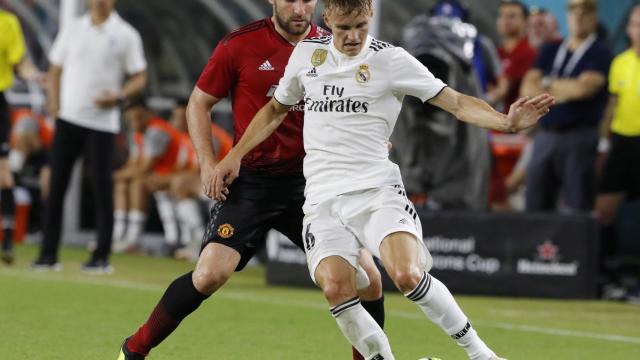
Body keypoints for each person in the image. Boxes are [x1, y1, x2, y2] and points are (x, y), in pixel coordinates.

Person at [210, 0, 553, 359]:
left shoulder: (391, 61)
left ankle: (482, 354)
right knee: (336, 288)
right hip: (322, 200)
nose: (353, 36)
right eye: (343, 28)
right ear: (327, 20)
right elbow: (275, 109)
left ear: (370, 16)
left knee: (406, 274)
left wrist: (505, 122)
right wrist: (235, 155)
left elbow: (456, 102)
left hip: (377, 191)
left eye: (360, 25)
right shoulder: (306, 56)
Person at [117, 1, 385, 359]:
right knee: (209, 275)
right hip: (251, 183)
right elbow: (198, 103)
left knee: (368, 280)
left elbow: (359, 104)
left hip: (312, 185)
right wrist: (208, 164)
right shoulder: (239, 45)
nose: (299, 7)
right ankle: (134, 349)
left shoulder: (332, 45)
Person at [32, 0, 147, 272]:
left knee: (102, 189)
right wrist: (54, 104)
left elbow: (139, 76)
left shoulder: (126, 34)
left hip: (102, 124)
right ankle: (48, 255)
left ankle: (101, 257)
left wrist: (119, 96)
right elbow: (56, 68)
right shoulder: (72, 28)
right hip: (68, 119)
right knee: (56, 185)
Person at [521, 0, 611, 212]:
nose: (578, 15)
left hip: (579, 137)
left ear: (594, 15)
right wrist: (566, 89)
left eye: (585, 10)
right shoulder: (551, 48)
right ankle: (533, 246)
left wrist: (546, 83)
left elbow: (583, 90)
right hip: (545, 135)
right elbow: (526, 87)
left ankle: (579, 246)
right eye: (573, 9)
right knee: (535, 202)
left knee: (578, 205)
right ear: (567, 14)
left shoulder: (601, 52)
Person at [595, 4, 640, 270]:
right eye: (635, 24)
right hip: (623, 143)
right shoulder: (620, 62)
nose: (639, 29)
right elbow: (611, 108)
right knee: (604, 211)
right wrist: (604, 145)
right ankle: (609, 276)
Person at [0, 9, 45, 264]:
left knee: (4, 175)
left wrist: (36, 75)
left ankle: (7, 240)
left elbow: (20, 62)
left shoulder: (8, 22)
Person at [487, 0, 537, 113]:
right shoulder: (496, 52)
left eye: (512, 16)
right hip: (494, 120)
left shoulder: (527, 51)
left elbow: (503, 89)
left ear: (525, 21)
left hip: (515, 122)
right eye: (501, 16)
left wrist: (475, 104)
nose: (505, 21)